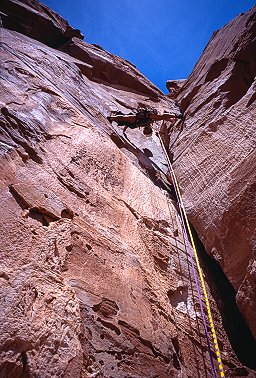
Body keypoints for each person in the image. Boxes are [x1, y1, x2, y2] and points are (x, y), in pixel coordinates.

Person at [107, 106, 183, 137]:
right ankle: (111, 118)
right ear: (150, 129)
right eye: (148, 130)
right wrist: (173, 117)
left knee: (127, 119)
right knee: (126, 117)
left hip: (140, 119)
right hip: (145, 116)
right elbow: (163, 117)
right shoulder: (151, 121)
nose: (146, 129)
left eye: (145, 131)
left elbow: (128, 124)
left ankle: (112, 118)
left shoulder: (140, 125)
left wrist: (124, 130)